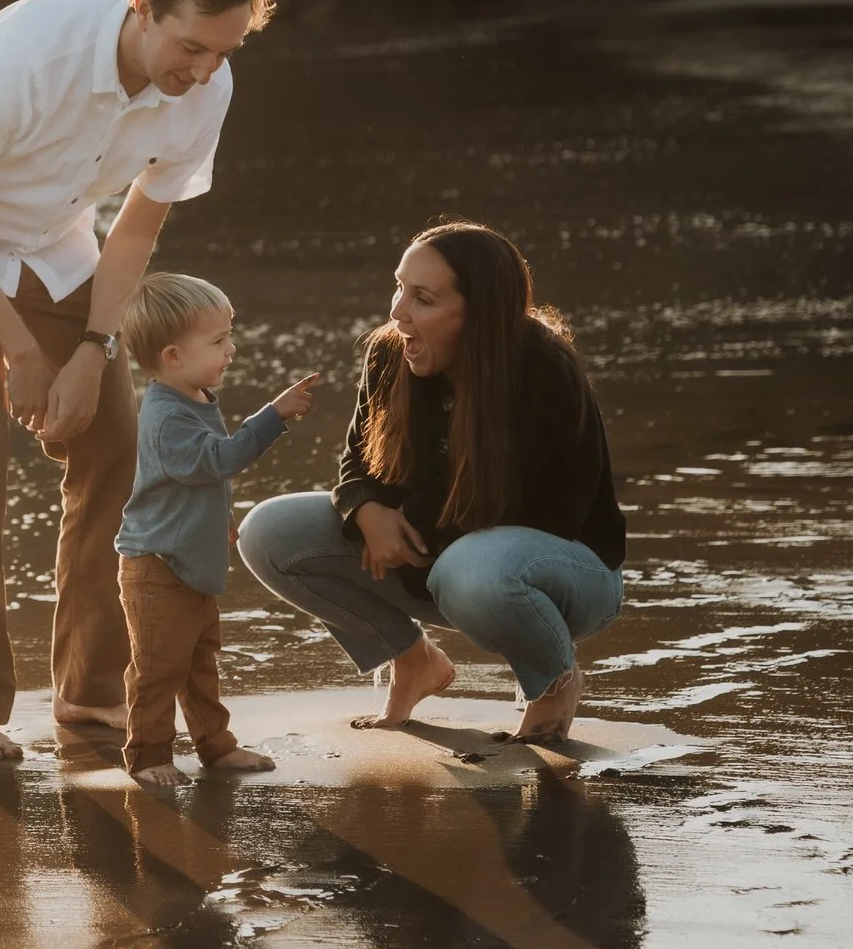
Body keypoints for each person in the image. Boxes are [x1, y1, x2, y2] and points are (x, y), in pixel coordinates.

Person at [0, 0, 279, 763]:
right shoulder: (34, 46)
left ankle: (92, 695)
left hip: (59, 235)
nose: (203, 68)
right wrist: (21, 352)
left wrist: (93, 348)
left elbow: (134, 232)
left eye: (225, 49)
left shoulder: (208, 85)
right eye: (192, 45)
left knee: (118, 449)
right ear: (142, 6)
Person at [237, 222, 626, 744]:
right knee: (269, 531)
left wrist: (411, 525)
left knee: (472, 568)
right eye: (399, 287)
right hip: (439, 565)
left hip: (564, 575)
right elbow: (355, 460)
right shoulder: (391, 353)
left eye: (423, 299)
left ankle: (553, 681)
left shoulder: (544, 371)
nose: (398, 312)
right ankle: (411, 660)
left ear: (480, 312)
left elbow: (554, 512)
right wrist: (366, 511)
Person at [113, 272, 317, 783]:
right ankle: (149, 755)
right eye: (219, 341)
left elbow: (197, 481)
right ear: (173, 356)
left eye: (230, 336)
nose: (232, 349)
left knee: (201, 660)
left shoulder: (195, 394)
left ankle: (215, 746)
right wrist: (272, 416)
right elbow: (218, 460)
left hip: (190, 561)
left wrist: (219, 517)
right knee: (160, 668)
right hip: (157, 566)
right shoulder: (166, 416)